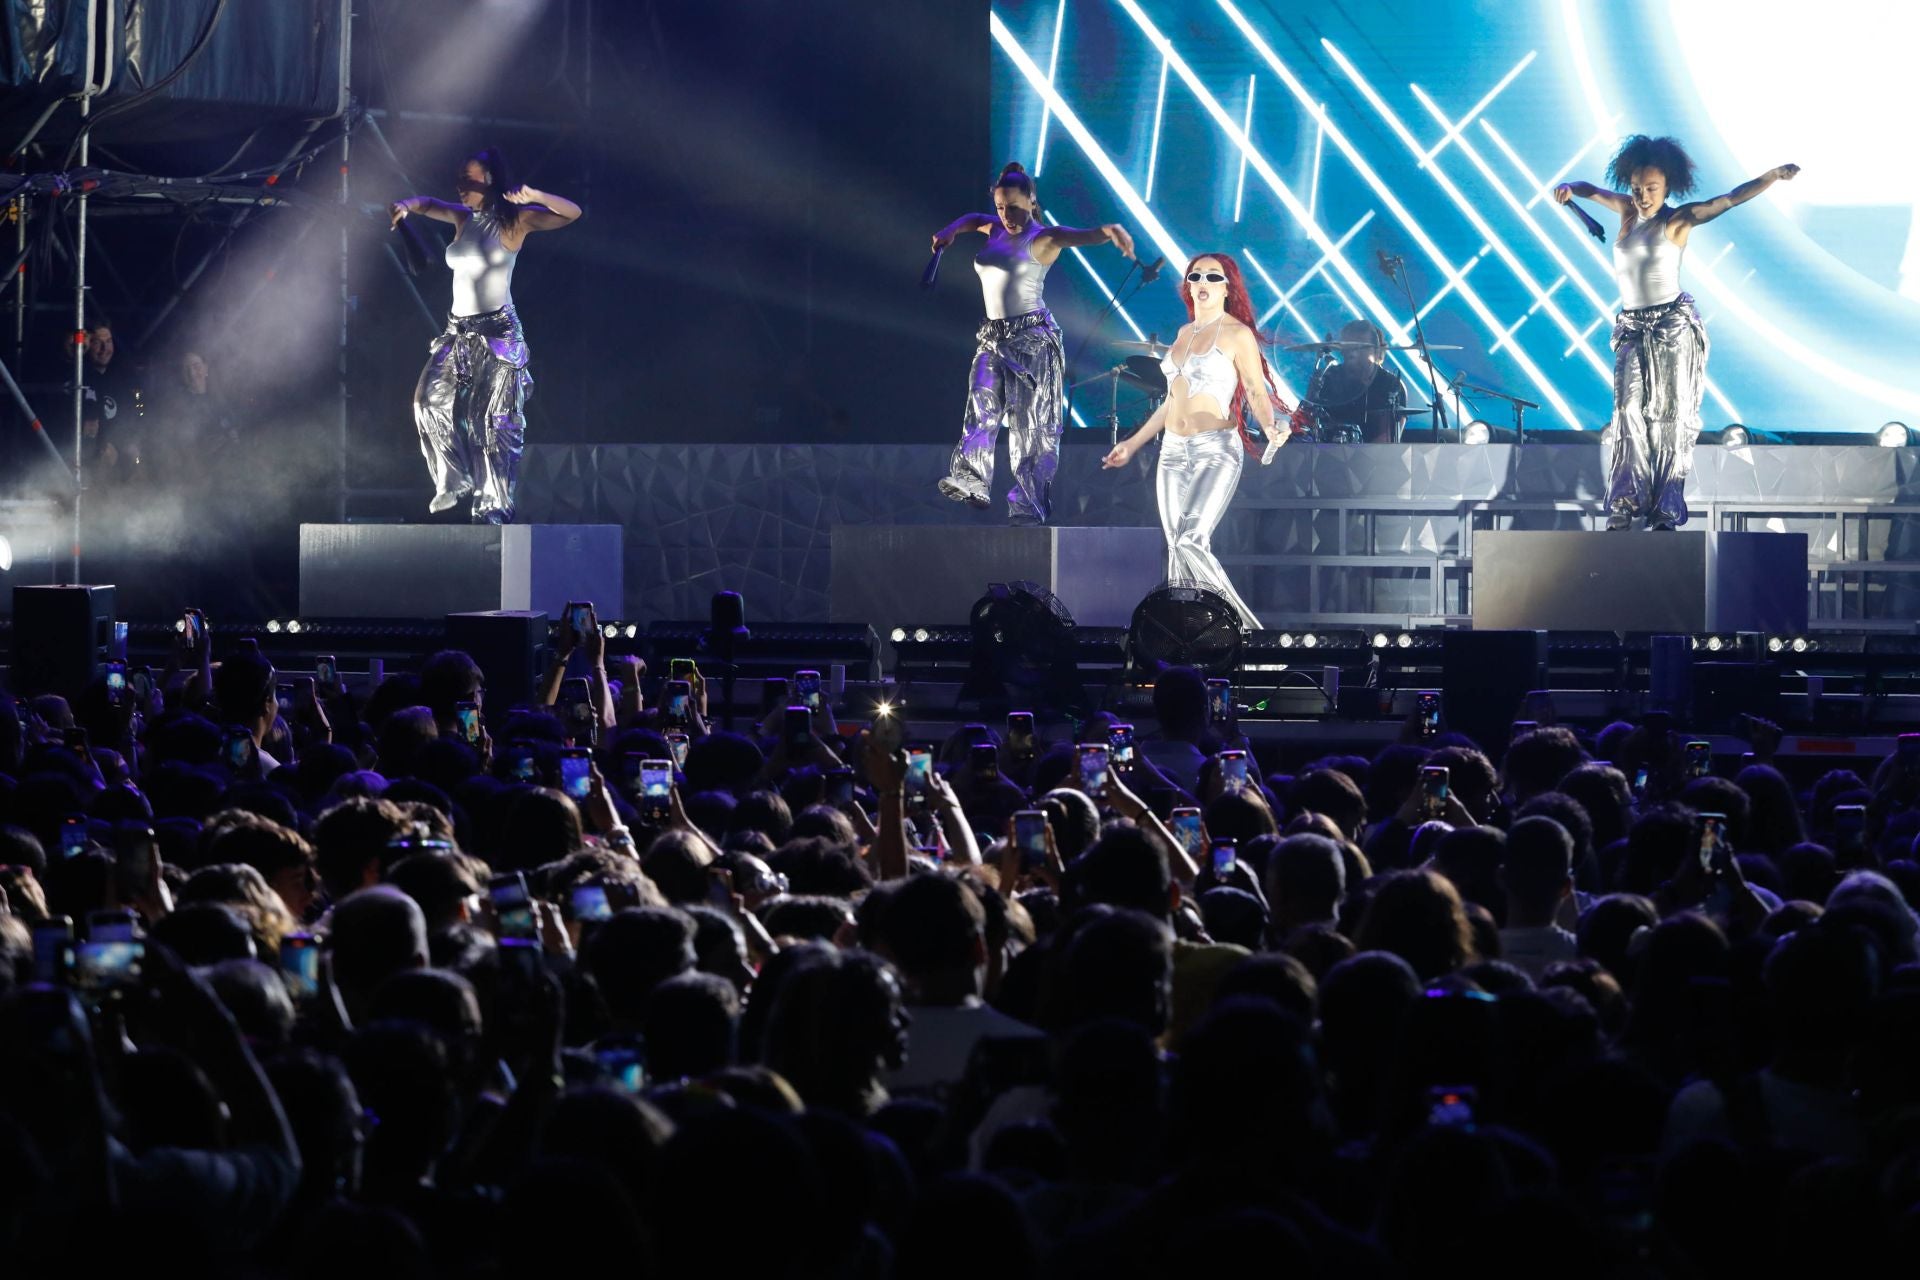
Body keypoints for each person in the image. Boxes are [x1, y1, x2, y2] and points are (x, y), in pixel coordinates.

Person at [1556, 138, 1797, 530]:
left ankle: (1665, 508)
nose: (1642, 196)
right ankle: (1626, 501)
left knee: (1669, 416)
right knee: (1628, 411)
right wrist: (1570, 189)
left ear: (1668, 187)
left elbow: (1730, 199)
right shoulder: (1626, 212)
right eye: (1636, 188)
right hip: (1633, 326)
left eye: (1651, 189)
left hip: (1671, 326)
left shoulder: (1678, 220)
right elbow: (1588, 189)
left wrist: (1771, 176)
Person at [931, 161, 1134, 525]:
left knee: (1030, 428)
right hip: (992, 336)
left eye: (1014, 207)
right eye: (1001, 207)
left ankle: (1028, 508)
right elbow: (970, 218)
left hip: (1032, 341)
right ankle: (972, 480)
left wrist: (1110, 230)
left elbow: (1083, 235)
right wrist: (949, 232)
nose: (1006, 215)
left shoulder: (1043, 238)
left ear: (1032, 202)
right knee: (981, 406)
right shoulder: (993, 226)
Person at [389, 146, 582, 524]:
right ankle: (453, 480)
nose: (461, 187)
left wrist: (536, 196)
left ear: (489, 179)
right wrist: (406, 205)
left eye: (469, 179)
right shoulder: (464, 219)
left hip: (498, 334)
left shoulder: (515, 221)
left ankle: (494, 505)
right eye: (459, 180)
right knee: (428, 403)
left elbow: (571, 213)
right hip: (457, 332)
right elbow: (428, 202)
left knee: (493, 422)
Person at [1100, 253, 1290, 629]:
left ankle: (1244, 633)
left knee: (1190, 540)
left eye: (1212, 276)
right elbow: (1171, 400)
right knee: (1175, 548)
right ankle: (1192, 635)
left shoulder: (1237, 334)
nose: (1202, 282)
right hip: (1171, 451)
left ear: (1227, 287)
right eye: (1195, 276)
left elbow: (1254, 388)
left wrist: (1269, 424)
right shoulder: (1183, 335)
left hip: (1215, 449)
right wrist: (1133, 443)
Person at [1303, 319, 1405, 443]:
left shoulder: (1391, 384)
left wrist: (1359, 456)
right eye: (1348, 346)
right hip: (1328, 454)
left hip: (1374, 458)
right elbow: (1306, 418)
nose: (1352, 351)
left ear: (1376, 350)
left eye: (1359, 347)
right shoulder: (1329, 376)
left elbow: (1389, 436)